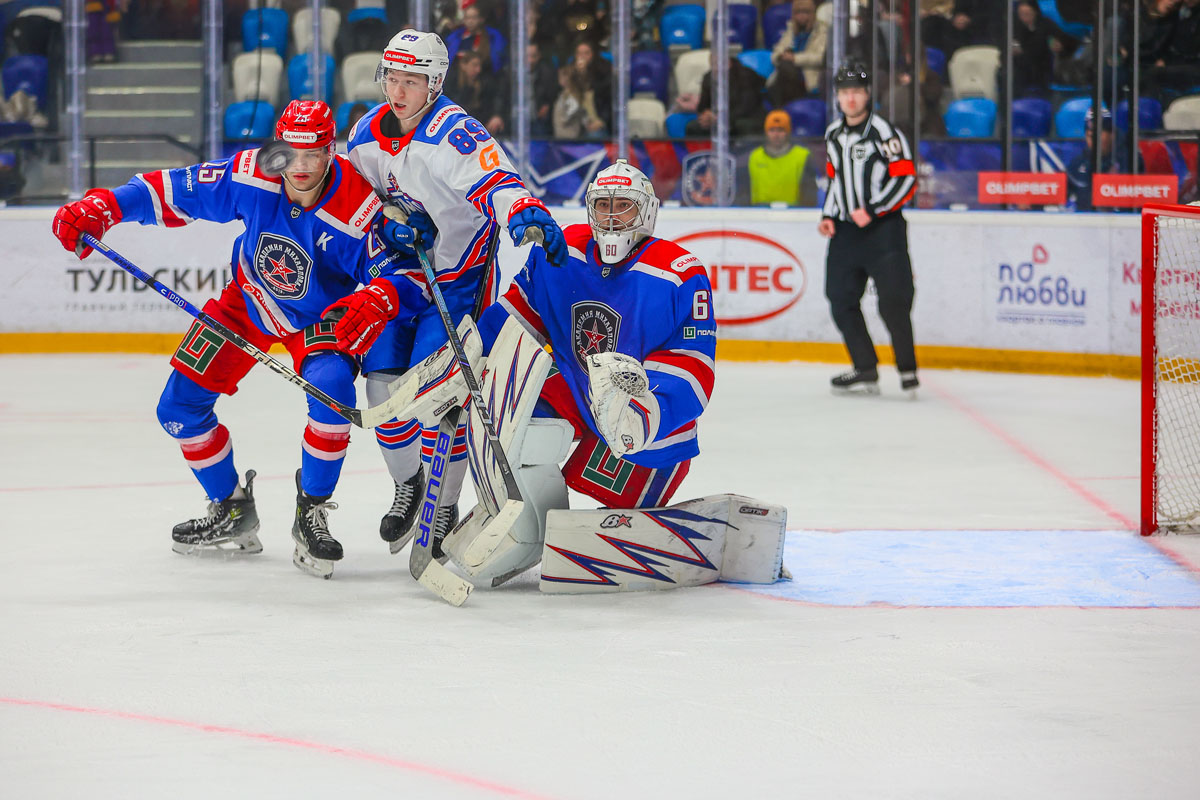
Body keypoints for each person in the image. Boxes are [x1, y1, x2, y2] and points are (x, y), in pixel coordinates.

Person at [49, 100, 425, 577]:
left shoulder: (358, 206)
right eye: (291, 152)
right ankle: (231, 508)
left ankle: (310, 509)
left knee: (332, 392)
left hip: (319, 320)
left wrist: (379, 298)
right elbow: (173, 189)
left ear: (331, 150)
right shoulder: (253, 171)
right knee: (178, 409)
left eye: (313, 153)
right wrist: (104, 206)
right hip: (247, 302)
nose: (300, 166)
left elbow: (404, 274)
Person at [390, 160, 717, 581]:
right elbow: (517, 313)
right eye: (603, 206)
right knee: (511, 421)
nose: (611, 218)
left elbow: (693, 363)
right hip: (575, 393)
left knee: (628, 512)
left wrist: (647, 413)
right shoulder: (563, 250)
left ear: (647, 212)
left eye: (624, 207)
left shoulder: (679, 273)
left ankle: (626, 516)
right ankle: (529, 533)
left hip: (640, 417)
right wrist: (468, 358)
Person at [346, 29, 566, 551]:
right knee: (381, 388)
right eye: (392, 78)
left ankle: (443, 504)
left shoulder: (454, 132)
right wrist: (388, 225)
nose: (398, 91)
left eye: (412, 80)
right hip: (397, 273)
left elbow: (498, 182)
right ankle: (409, 485)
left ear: (436, 82)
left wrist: (523, 211)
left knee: (439, 395)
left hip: (458, 275)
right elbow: (357, 202)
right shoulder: (363, 135)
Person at [818, 63, 919, 396]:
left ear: (867, 95)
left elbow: (906, 178)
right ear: (837, 97)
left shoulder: (884, 132)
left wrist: (873, 210)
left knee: (893, 301)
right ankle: (865, 367)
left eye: (856, 92)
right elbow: (834, 180)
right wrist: (828, 214)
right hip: (845, 232)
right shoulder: (833, 134)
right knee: (839, 297)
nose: (850, 99)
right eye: (844, 93)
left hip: (883, 231)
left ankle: (907, 369)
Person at [1066, 106, 1145, 211]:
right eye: (1089, 133)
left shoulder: (1131, 161)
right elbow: (1063, 196)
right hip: (1085, 219)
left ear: (1112, 134)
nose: (1092, 137)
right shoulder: (1078, 163)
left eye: (1099, 132)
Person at [686, 51, 767, 137]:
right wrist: (706, 115)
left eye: (718, 63)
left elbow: (746, 107)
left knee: (741, 125)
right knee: (693, 127)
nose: (716, 68)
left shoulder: (745, 75)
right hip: (717, 119)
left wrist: (719, 118)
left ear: (728, 63)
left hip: (744, 118)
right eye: (713, 64)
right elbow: (703, 106)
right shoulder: (708, 78)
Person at [748, 109, 817, 206]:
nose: (776, 135)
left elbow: (809, 192)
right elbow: (746, 190)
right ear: (766, 133)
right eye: (772, 130)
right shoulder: (755, 156)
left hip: (793, 212)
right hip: (760, 212)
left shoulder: (802, 155)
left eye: (781, 130)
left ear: (788, 132)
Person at [767, 0, 827, 107]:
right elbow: (776, 53)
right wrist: (782, 55)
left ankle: (779, 109)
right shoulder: (791, 29)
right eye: (798, 13)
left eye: (805, 12)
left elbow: (820, 58)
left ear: (812, 13)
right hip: (787, 74)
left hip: (807, 76)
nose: (801, 16)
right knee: (785, 68)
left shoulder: (822, 30)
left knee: (783, 73)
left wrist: (794, 58)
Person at [443, 49, 507, 135]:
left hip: (482, 128)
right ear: (463, 65)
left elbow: (494, 102)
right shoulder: (451, 84)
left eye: (479, 66)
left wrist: (496, 115)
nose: (478, 70)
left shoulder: (485, 83)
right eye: (474, 65)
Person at [445, 4, 507, 73]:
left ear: (481, 19)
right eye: (467, 18)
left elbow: (498, 60)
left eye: (474, 18)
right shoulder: (455, 37)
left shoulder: (493, 37)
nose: (470, 21)